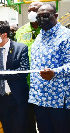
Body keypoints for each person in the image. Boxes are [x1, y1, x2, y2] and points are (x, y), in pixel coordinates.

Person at [29, 4, 70, 133]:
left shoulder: (66, 36)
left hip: (58, 99)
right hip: (39, 99)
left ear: (56, 16)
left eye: (45, 16)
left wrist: (55, 72)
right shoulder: (39, 37)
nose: (41, 19)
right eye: (38, 16)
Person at [15, 2, 43, 133]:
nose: (32, 13)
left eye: (35, 10)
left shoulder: (47, 29)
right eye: (29, 10)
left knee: (44, 120)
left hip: (44, 85)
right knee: (26, 120)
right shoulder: (21, 31)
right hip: (24, 84)